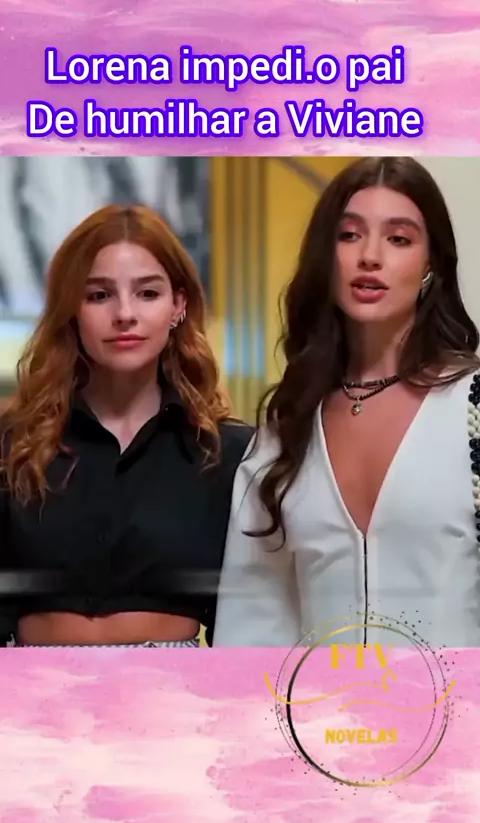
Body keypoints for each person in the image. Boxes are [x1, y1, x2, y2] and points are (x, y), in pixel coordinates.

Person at [213, 156, 480, 649]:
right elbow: (252, 620)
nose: (370, 256)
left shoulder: (472, 408)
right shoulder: (287, 425)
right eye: (350, 235)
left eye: (398, 239)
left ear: (431, 266)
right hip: (318, 699)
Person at [0, 204, 253, 647]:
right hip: (28, 677)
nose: (124, 314)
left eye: (147, 293)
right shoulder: (12, 444)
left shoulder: (229, 453)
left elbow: (250, 616)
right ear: (71, 309)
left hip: (177, 682)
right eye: (99, 295)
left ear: (178, 306)